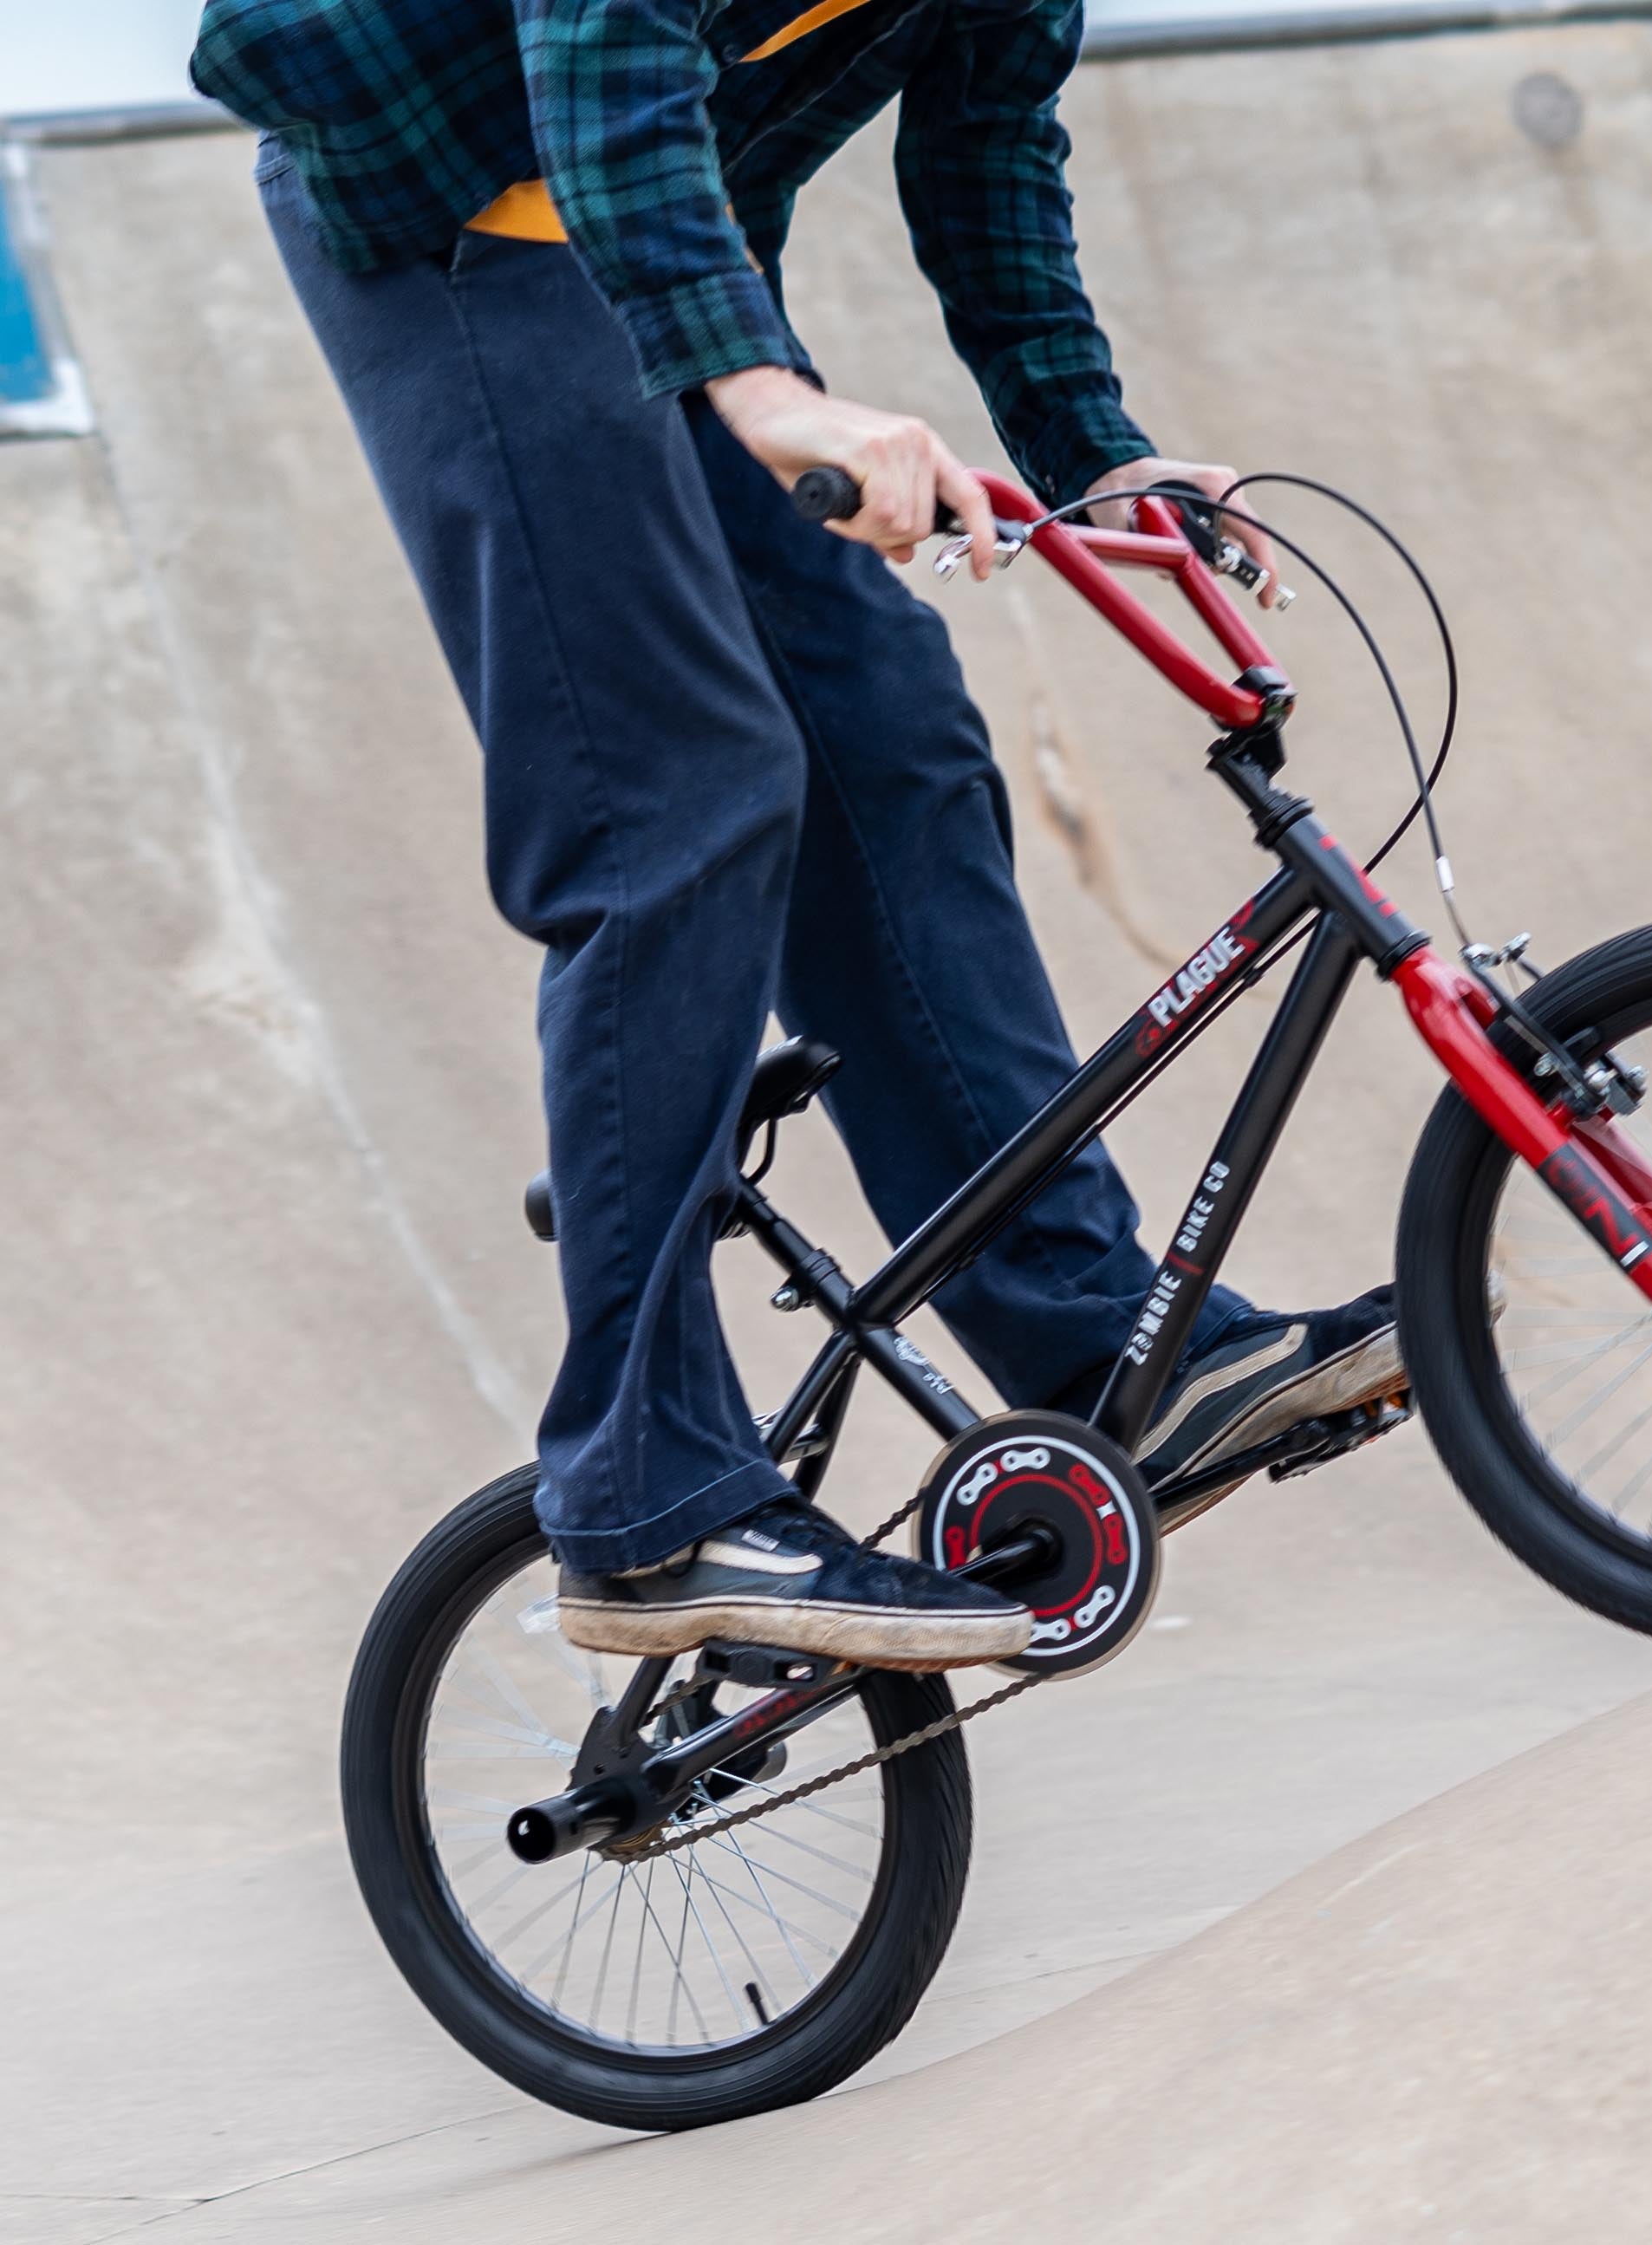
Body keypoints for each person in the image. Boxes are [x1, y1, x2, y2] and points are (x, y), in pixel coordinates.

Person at [191, 0, 1399, 1670]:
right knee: (673, 797)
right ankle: (649, 1493)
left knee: (890, 737)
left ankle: (1094, 1341)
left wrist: (1094, 455)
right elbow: (602, 43)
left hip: (646, 248)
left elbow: (986, 148)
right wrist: (767, 391)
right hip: (452, 211)